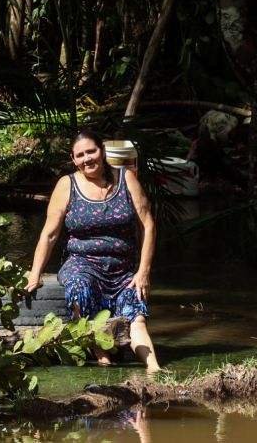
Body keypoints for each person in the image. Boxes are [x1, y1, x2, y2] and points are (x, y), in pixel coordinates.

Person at [25, 130, 161, 372]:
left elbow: (147, 225)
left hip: (123, 268)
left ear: (103, 151)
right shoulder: (67, 185)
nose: (87, 158)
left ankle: (153, 367)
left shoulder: (126, 178)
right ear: (73, 159)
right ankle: (103, 359)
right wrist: (35, 273)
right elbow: (50, 234)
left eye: (91, 151)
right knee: (80, 287)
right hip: (82, 263)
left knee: (135, 311)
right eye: (80, 155)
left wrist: (143, 272)